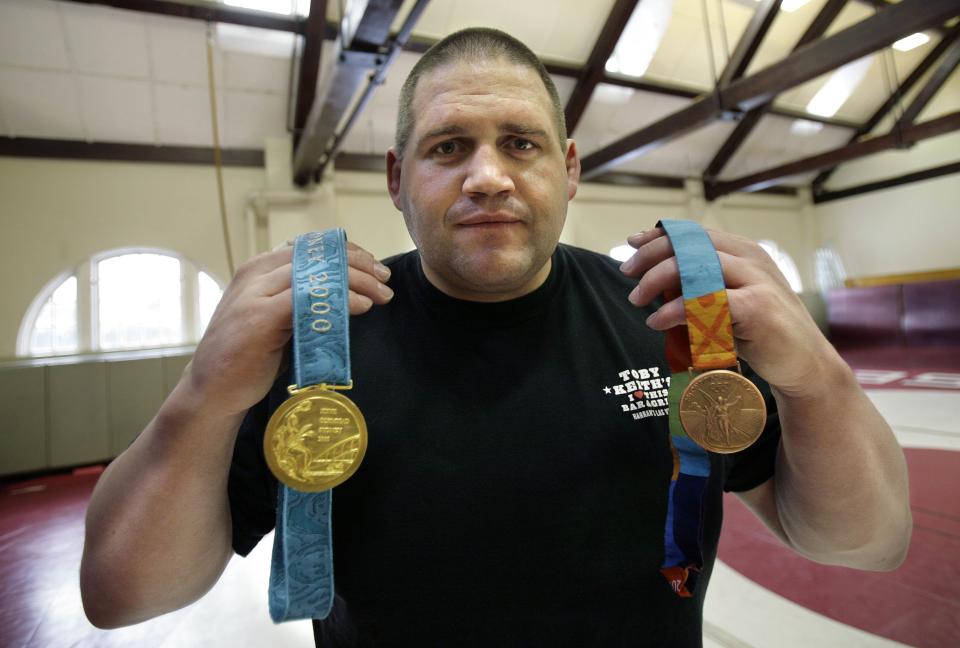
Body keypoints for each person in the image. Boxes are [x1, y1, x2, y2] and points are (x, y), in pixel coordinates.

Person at [80, 27, 911, 646]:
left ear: (570, 169)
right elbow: (121, 596)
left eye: (520, 143)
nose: (488, 175)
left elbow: (868, 544)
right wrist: (200, 398)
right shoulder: (319, 340)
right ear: (400, 178)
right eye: (450, 147)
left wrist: (819, 379)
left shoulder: (665, 319)